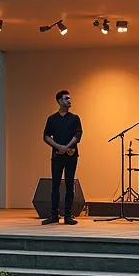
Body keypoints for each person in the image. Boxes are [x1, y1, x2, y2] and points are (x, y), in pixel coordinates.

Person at [42, 89, 82, 225]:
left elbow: (78, 135)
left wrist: (67, 147)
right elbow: (46, 136)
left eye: (69, 98)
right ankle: (54, 215)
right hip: (57, 155)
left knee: (70, 184)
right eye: (66, 98)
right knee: (55, 185)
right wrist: (59, 147)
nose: (69, 100)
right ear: (59, 101)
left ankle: (68, 215)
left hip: (71, 155)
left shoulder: (75, 118)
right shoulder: (52, 119)